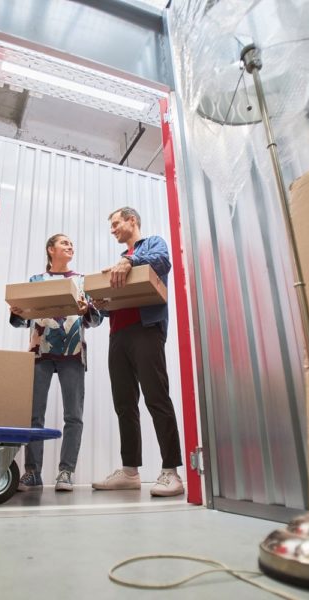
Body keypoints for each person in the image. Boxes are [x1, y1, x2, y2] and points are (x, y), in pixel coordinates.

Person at [92, 207, 184, 497]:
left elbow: (162, 262)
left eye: (116, 223)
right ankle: (130, 471)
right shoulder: (120, 263)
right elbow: (115, 303)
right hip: (118, 334)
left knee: (157, 398)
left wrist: (128, 259)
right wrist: (101, 304)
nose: (113, 229)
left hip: (146, 330)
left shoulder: (152, 243)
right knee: (124, 404)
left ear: (133, 221)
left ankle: (171, 472)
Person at [10, 233, 102, 492]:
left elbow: (95, 321)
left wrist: (88, 311)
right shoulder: (36, 281)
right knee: (33, 415)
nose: (70, 246)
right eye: (64, 243)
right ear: (51, 249)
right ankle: (32, 473)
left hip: (73, 354)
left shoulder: (82, 281)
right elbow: (22, 321)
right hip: (41, 352)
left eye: (72, 243)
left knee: (74, 416)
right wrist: (16, 312)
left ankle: (66, 472)